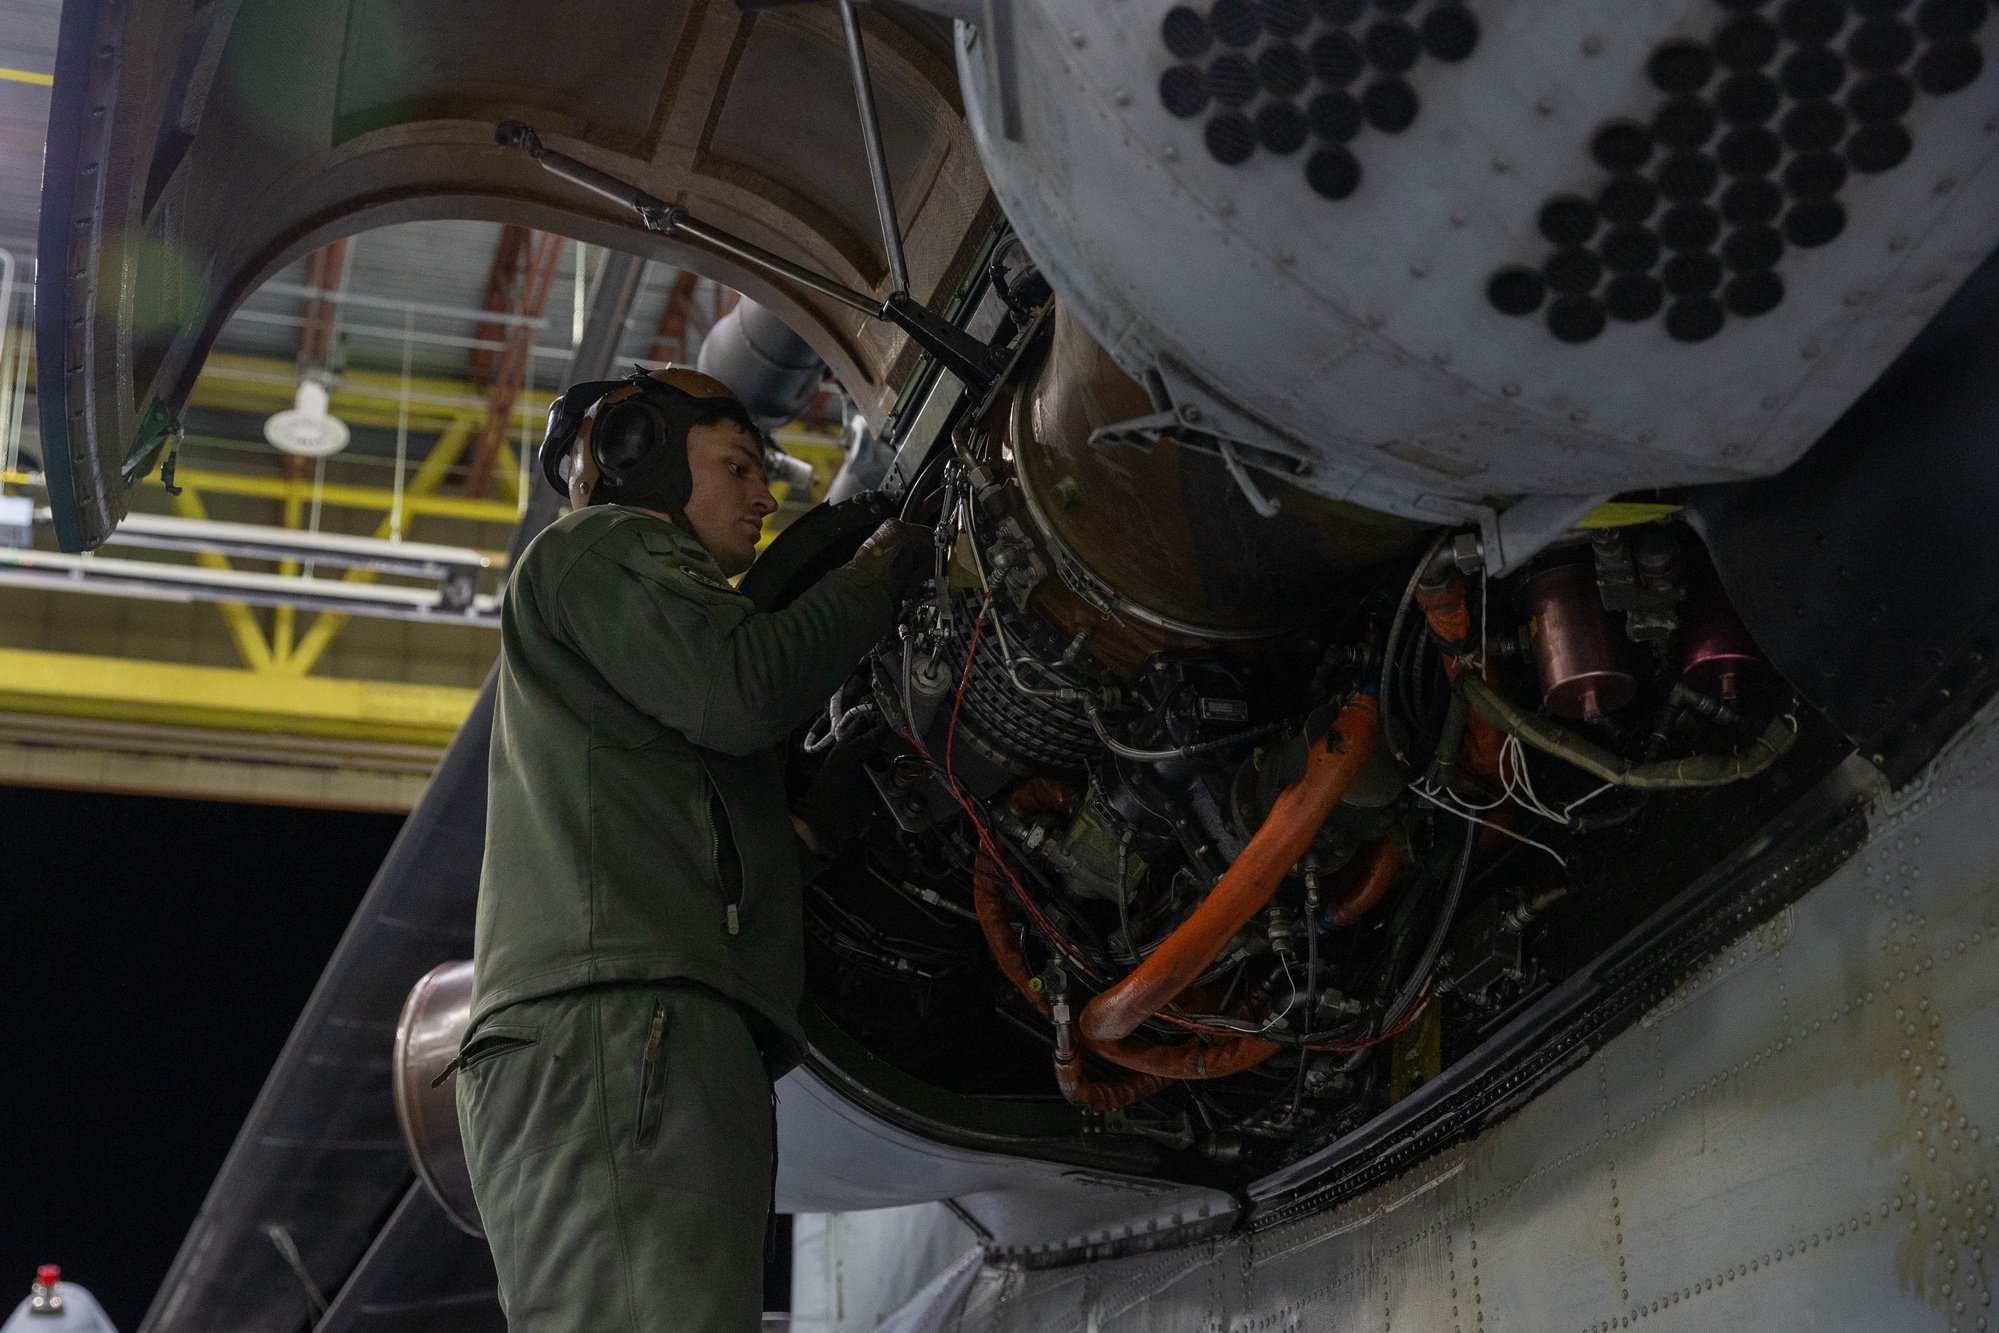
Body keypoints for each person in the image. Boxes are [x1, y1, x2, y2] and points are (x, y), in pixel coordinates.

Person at [455, 366, 928, 1332]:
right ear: (642, 457)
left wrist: (820, 817)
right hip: (623, 1034)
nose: (766, 496)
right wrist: (884, 573)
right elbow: (743, 688)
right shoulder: (602, 547)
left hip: (648, 1034)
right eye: (738, 466)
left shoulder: (638, 641)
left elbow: (702, 833)